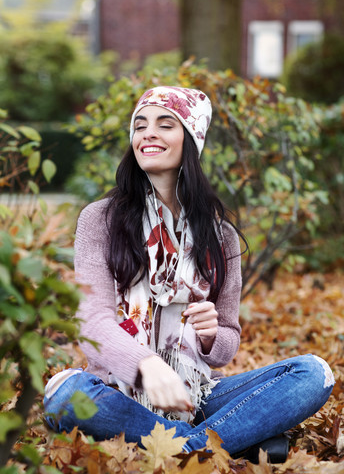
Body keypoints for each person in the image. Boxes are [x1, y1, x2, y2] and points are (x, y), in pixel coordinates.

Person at [44, 86, 334, 458]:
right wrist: (146, 364)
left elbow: (226, 343)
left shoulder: (221, 237)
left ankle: (179, 442)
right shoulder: (100, 219)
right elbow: (91, 322)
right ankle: (217, 442)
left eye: (165, 124)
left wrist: (212, 335)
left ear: (191, 141)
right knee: (67, 394)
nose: (148, 133)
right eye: (140, 125)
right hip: (117, 390)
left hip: (195, 393)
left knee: (313, 373)